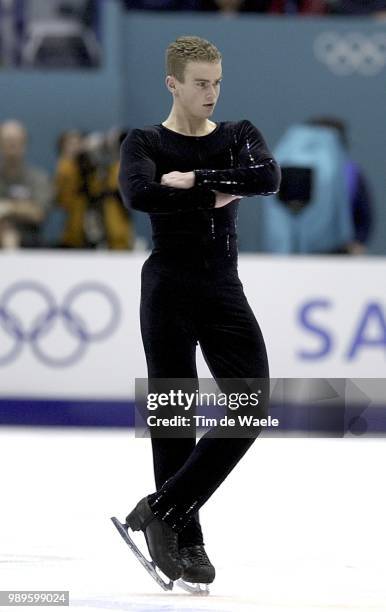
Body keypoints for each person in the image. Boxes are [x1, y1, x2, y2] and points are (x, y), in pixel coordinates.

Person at [118, 36, 281, 586]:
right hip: (167, 286)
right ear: (173, 83)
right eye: (200, 83)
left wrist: (196, 179)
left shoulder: (238, 135)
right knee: (174, 416)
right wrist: (218, 192)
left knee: (252, 402)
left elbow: (268, 178)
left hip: (221, 287)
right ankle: (185, 538)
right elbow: (140, 194)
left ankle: (161, 510)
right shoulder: (144, 140)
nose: (211, 93)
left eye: (216, 82)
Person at [0, 120, 52, 249]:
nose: (11, 144)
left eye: (16, 140)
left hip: (30, 243)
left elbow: (39, 213)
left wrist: (7, 207)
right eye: (7, 140)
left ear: (25, 143)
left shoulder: (38, 178)